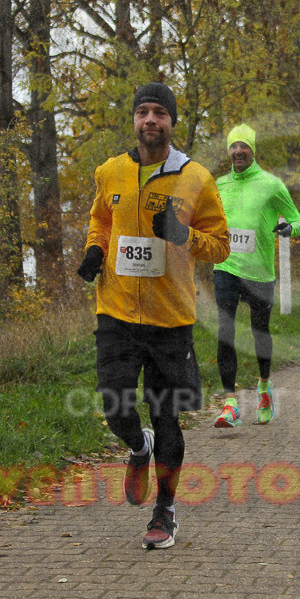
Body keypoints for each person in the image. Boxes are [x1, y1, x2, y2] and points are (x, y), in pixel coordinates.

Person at [77, 82, 230, 549]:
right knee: (115, 406)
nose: (150, 120)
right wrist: (95, 249)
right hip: (117, 311)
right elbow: (101, 219)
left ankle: (165, 509)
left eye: (159, 113)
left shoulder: (196, 178)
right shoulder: (111, 171)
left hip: (170, 317)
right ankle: (137, 446)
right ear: (134, 119)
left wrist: (183, 235)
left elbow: (220, 245)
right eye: (142, 111)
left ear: (171, 122)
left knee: (168, 417)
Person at [213, 123, 300, 428]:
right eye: (233, 146)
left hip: (259, 272)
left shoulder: (271, 184)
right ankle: (230, 405)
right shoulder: (219, 184)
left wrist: (289, 228)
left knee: (259, 333)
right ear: (228, 151)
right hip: (225, 266)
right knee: (225, 331)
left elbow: (298, 220)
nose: (238, 151)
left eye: (244, 146)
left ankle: (264, 387)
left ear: (253, 151)